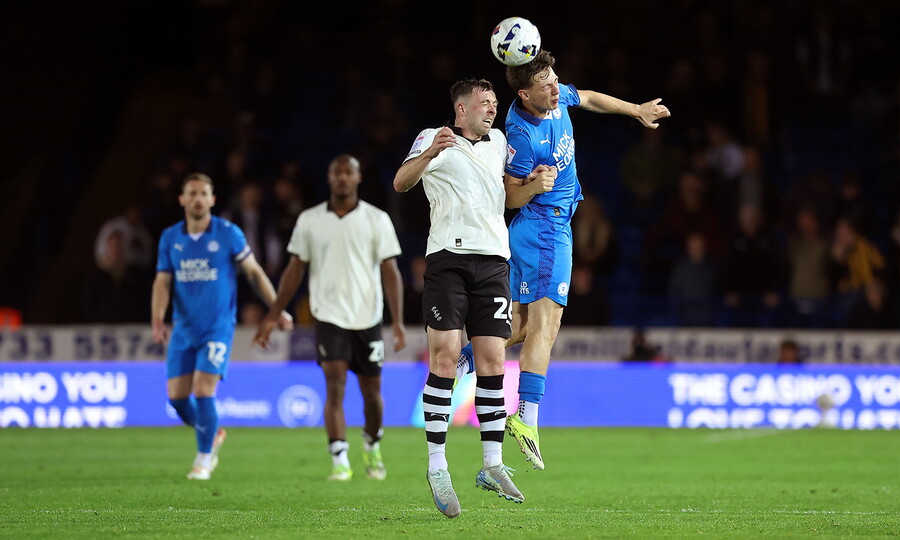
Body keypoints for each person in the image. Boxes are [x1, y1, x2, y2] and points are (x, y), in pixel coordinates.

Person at [458, 50, 669, 471]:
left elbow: (588, 97)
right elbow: (509, 198)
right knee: (547, 325)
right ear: (524, 94)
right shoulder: (520, 134)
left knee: (523, 325)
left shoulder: (555, 97)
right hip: (544, 227)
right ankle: (527, 418)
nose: (557, 90)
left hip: (548, 228)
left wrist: (636, 111)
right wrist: (534, 184)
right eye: (547, 87)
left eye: (556, 81)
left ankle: (466, 355)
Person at [394, 79, 555, 518]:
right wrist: (429, 154)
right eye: (484, 103)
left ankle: (491, 464)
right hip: (447, 260)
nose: (492, 109)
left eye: (494, 103)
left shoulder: (499, 141)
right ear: (461, 108)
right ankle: (437, 464)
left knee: (491, 362)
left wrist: (535, 185)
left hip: (493, 264)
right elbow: (401, 182)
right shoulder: (433, 137)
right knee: (445, 358)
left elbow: (508, 196)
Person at [254, 155, 406, 482]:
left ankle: (372, 443)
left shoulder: (376, 219)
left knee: (372, 396)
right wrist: (273, 313)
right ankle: (339, 458)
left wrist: (397, 321)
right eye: (337, 172)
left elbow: (390, 272)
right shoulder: (310, 220)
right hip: (329, 317)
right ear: (328, 177)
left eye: (348, 172)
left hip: (367, 318)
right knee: (334, 385)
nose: (342, 178)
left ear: (358, 177)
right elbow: (295, 270)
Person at [151, 173, 292, 480]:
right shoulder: (170, 238)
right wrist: (158, 318)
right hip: (183, 328)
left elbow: (254, 272)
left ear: (212, 199)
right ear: (182, 200)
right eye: (192, 193)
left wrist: (277, 309)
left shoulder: (228, 233)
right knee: (176, 398)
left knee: (203, 391)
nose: (198, 198)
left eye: (204, 193)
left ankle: (203, 458)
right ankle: (212, 433)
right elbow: (162, 281)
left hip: (216, 327)